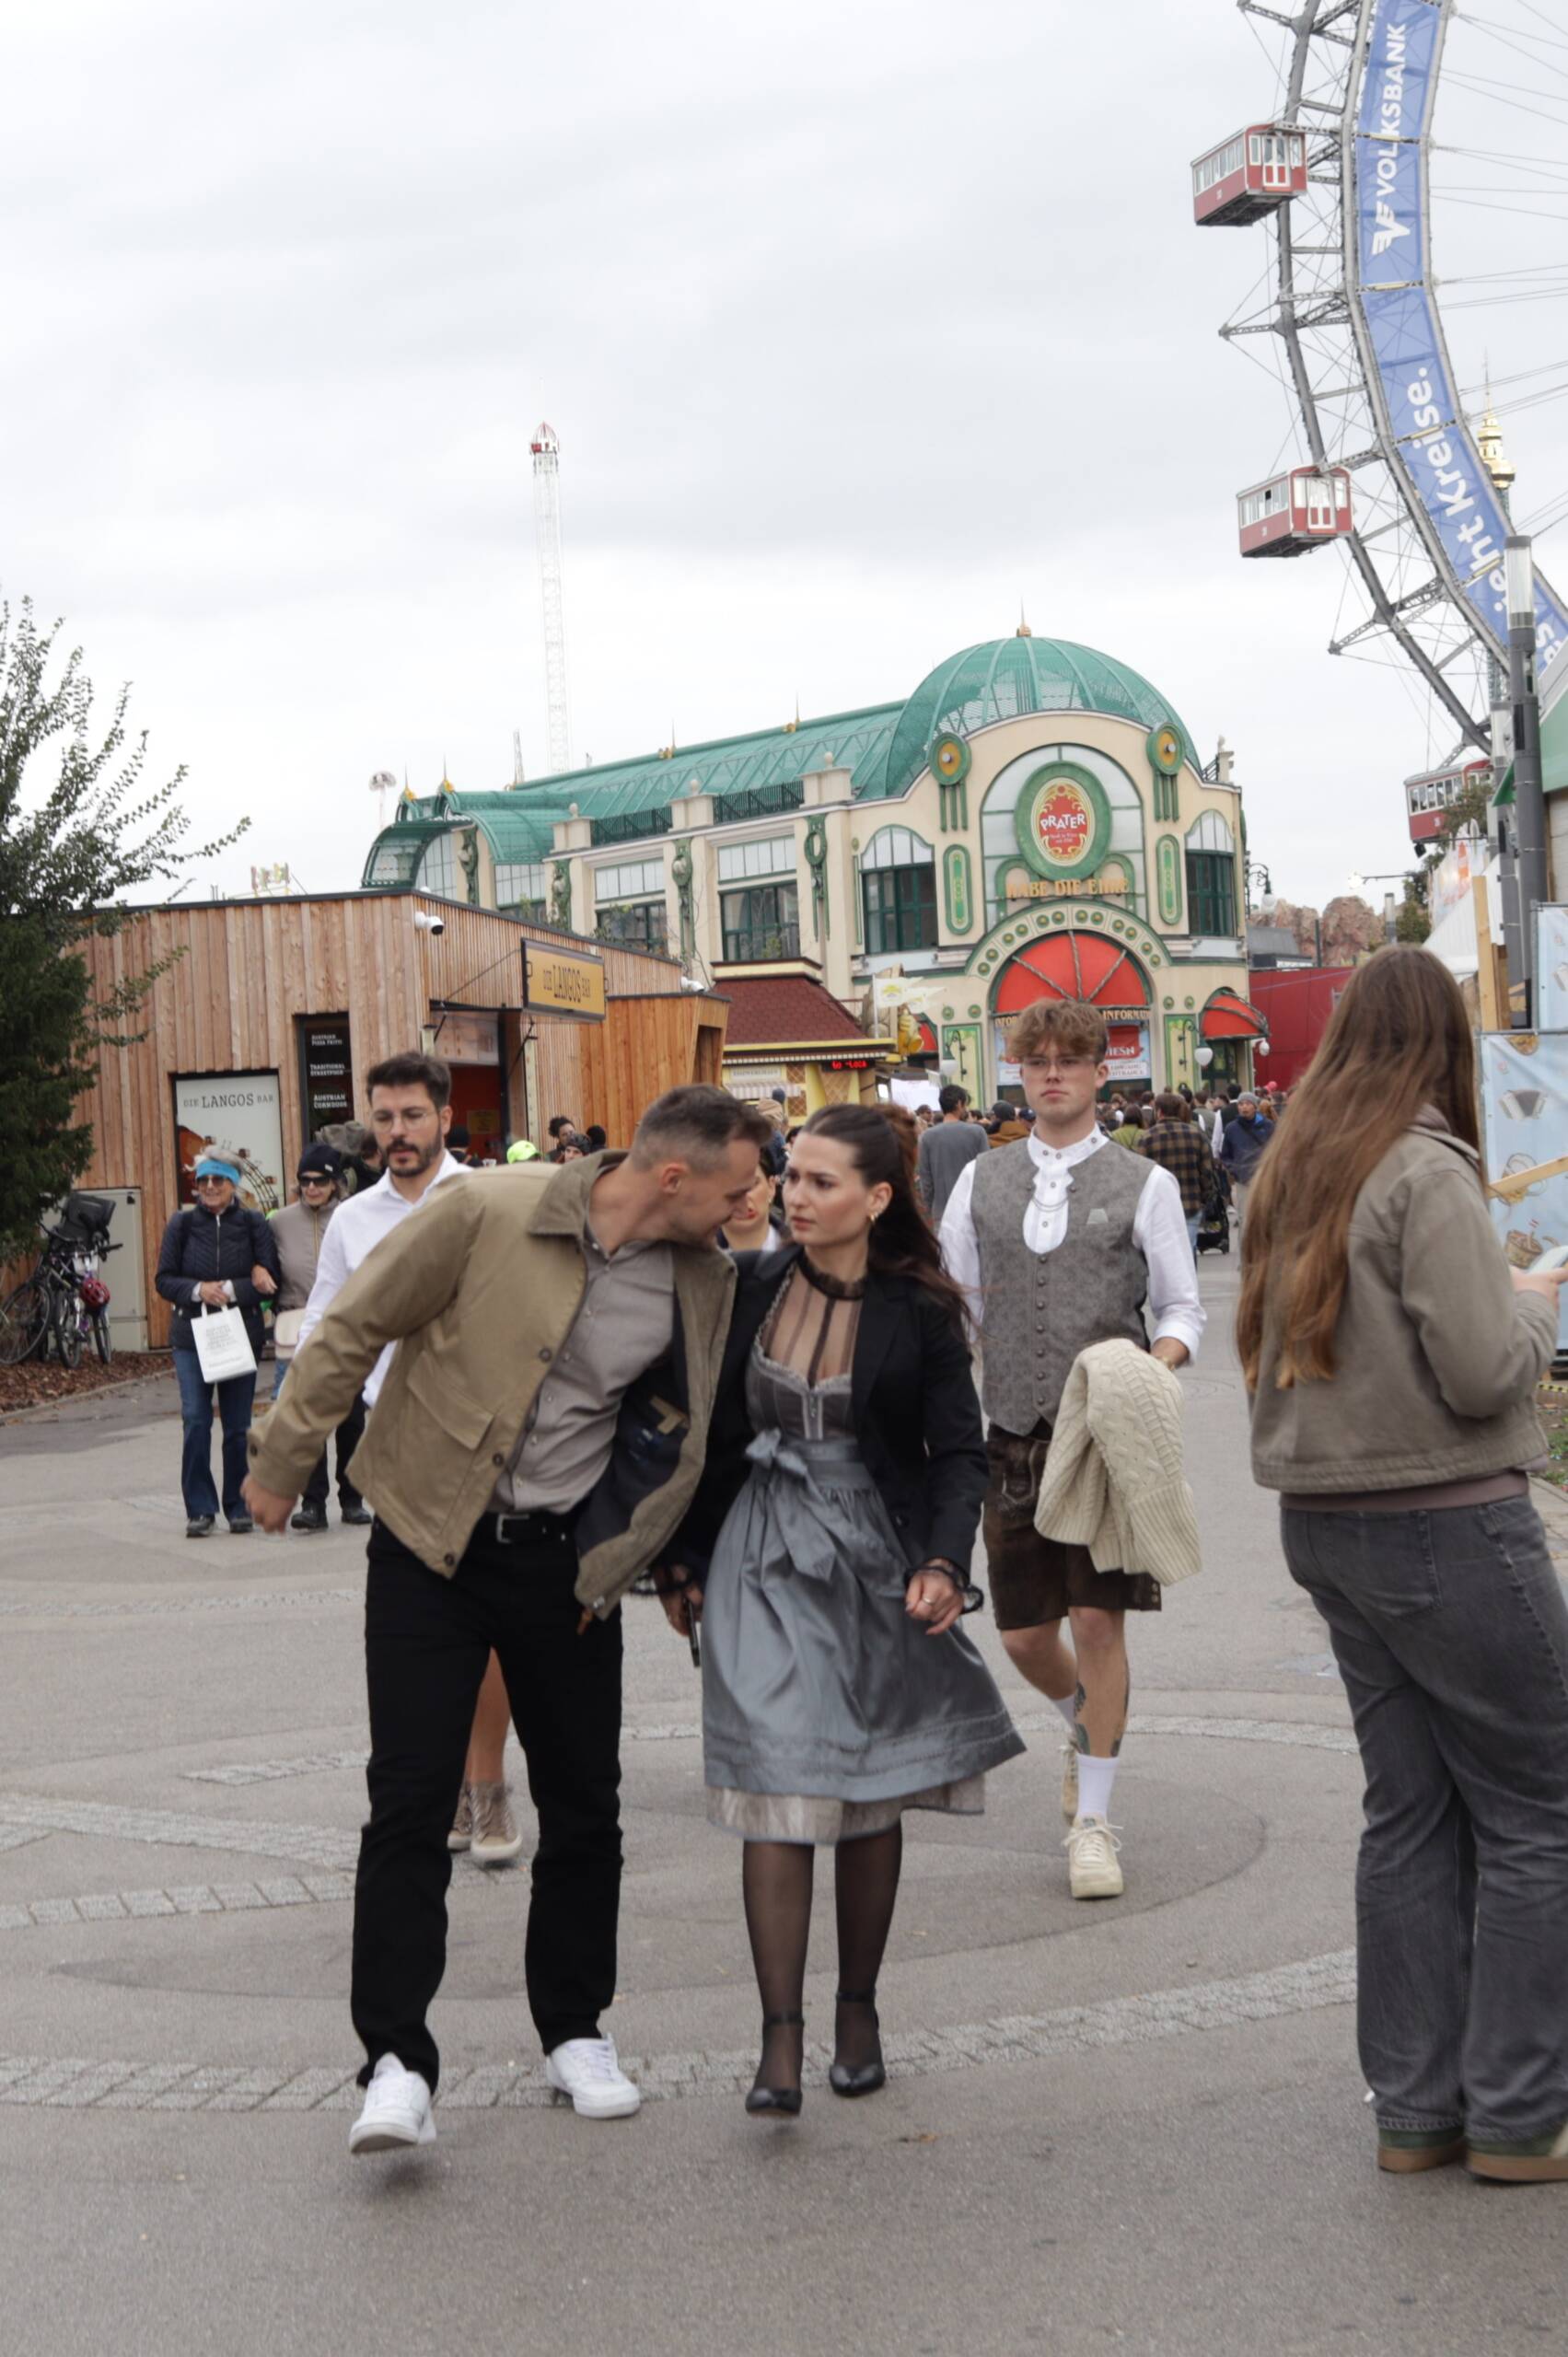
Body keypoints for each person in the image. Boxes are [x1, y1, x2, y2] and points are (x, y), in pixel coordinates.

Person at [242, 1085, 769, 2155]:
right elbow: (353, 1326)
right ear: (674, 1177)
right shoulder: (492, 1211)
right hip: (427, 1549)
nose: (744, 1204)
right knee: (409, 1799)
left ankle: (574, 2029)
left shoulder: (701, 1279)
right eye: (735, 1185)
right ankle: (394, 2061)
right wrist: (282, 1459)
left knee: (585, 1805)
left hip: (564, 1569)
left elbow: (680, 1427)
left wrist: (657, 1556)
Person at [1240, 947, 1568, 2185]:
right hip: (1445, 1517)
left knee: (1408, 1815)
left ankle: (1416, 2109)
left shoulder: (1294, 1167)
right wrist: (1531, 1298)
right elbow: (1483, 1369)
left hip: (1327, 1522)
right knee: (1539, 1810)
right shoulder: (1422, 1166)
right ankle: (1520, 2113)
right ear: (1444, 1044)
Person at [655, 1106, 1023, 2116]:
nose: (794, 1197)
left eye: (820, 1182)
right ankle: (778, 2038)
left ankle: (855, 2008)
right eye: (790, 1177)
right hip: (760, 1554)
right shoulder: (751, 1287)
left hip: (871, 1553)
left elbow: (957, 1452)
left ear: (875, 1198)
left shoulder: (920, 1309)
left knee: (865, 1792)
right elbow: (708, 1441)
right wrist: (679, 1565)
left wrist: (945, 1559)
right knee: (773, 1784)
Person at [939, 1000, 1203, 1900]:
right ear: (1018, 1071)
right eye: (1036, 1059)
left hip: (1103, 1440)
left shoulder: (1143, 1184)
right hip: (1009, 1434)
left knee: (1096, 1620)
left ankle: (1093, 1820)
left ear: (1099, 1072)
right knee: (1020, 1634)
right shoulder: (980, 1179)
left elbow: (1179, 1309)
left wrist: (1147, 1366)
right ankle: (1080, 1722)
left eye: (1069, 1059)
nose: (1051, 1073)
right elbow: (954, 1304)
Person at [297, 1057, 517, 1862]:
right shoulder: (354, 1221)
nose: (398, 1133)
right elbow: (325, 1328)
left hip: (488, 1442)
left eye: (413, 1116)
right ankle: (443, 1793)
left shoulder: (490, 1200)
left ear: (445, 1117)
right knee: (422, 1635)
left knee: (490, 1627)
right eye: (384, 1119)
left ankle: (486, 1789)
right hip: (398, 1446)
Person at [156, 1149, 281, 1538]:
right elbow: (164, 1279)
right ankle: (200, 1508)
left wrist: (229, 1288)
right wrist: (196, 1290)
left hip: (238, 1334)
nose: (210, 1187)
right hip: (192, 1336)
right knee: (195, 1420)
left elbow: (270, 1278)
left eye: (218, 1181)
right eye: (204, 1180)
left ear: (234, 1185)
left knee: (239, 1427)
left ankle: (239, 1506)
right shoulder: (181, 1224)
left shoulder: (254, 1223)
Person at [269, 1143, 370, 1533]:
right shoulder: (279, 1221)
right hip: (297, 1320)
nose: (312, 1188)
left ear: (334, 1183)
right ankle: (312, 1503)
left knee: (350, 1418)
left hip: (346, 1322)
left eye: (320, 1181)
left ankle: (352, 1497)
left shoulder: (351, 1217)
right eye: (305, 1181)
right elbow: (266, 1261)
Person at [1137, 1091, 1217, 1257]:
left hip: (1159, 1206)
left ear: (1158, 1111)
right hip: (1191, 1203)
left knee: (1164, 1256)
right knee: (1187, 1252)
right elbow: (1207, 1170)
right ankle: (1190, 1282)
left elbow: (1140, 1175)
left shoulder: (1148, 1137)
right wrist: (1205, 1196)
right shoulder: (1196, 1135)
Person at [915, 1084, 990, 1222]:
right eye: (965, 1104)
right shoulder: (977, 1132)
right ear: (959, 1103)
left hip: (941, 1212)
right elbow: (986, 1173)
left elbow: (925, 1180)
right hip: (972, 1211)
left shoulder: (926, 1137)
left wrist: (929, 1208)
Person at [1218, 1092, 1272, 1234]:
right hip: (1243, 1179)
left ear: (1255, 1107)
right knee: (1245, 1220)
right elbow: (1225, 1154)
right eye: (1241, 1104)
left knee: (1265, 1218)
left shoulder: (1268, 1126)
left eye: (1247, 1104)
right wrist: (1234, 1169)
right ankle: (1246, 1255)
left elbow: (1277, 1150)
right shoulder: (1231, 1128)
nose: (1244, 1107)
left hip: (1265, 1178)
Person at [721, 1166, 785, 1255]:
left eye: (751, 1184)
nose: (743, 1198)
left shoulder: (805, 1253)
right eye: (729, 1187)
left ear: (771, 1187)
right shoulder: (697, 1258)